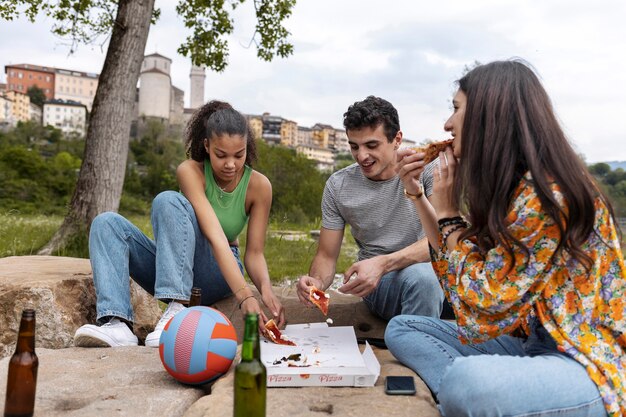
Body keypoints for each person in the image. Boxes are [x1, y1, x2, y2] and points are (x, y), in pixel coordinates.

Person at [388, 60, 626, 417]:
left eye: (456, 109)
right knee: (403, 328)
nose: (446, 124)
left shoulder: (549, 197)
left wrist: (450, 212)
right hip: (531, 344)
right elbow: (458, 277)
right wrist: (418, 196)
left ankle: (466, 398)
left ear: (489, 116)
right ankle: (470, 402)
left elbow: (484, 300)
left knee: (468, 381)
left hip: (582, 362)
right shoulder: (513, 189)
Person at [74, 100, 285, 348]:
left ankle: (177, 312)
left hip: (217, 273)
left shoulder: (259, 186)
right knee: (106, 223)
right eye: (221, 155)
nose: (231, 164)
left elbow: (252, 251)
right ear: (206, 146)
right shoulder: (190, 171)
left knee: (168, 200)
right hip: (176, 269)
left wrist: (262, 290)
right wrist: (245, 295)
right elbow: (209, 231)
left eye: (239, 155)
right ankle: (117, 323)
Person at [297, 96, 444, 321]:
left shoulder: (426, 170)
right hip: (382, 284)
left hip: (438, 275)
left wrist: (383, 263)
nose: (361, 156)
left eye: (371, 145)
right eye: (354, 146)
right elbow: (326, 255)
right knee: (423, 279)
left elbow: (443, 238)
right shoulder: (338, 186)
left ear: (397, 139)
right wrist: (316, 282)